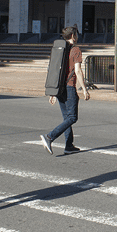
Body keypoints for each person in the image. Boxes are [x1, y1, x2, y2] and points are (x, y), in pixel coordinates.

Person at [40, 26, 89, 155]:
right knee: (72, 117)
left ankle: (69, 146)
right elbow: (78, 71)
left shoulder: (60, 50)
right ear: (73, 36)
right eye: (76, 34)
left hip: (59, 87)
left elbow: (54, 69)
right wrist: (84, 89)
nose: (77, 36)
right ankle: (49, 137)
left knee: (66, 118)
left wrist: (53, 92)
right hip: (69, 87)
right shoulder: (75, 50)